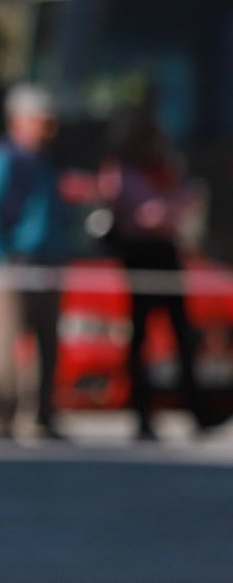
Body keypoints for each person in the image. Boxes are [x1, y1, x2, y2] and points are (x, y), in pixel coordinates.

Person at [99, 108, 218, 442]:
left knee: (183, 333)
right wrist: (169, 207)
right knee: (140, 340)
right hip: (139, 255)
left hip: (166, 254)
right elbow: (151, 215)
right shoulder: (121, 171)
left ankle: (197, 409)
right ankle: (142, 414)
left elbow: (180, 206)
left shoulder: (163, 168)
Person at [0, 84, 67, 442]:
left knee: (47, 340)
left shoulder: (45, 160)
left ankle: (42, 412)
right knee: (6, 339)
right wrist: (0, 254)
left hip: (47, 259)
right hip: (14, 262)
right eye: (42, 120)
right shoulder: (3, 158)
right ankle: (2, 412)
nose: (49, 128)